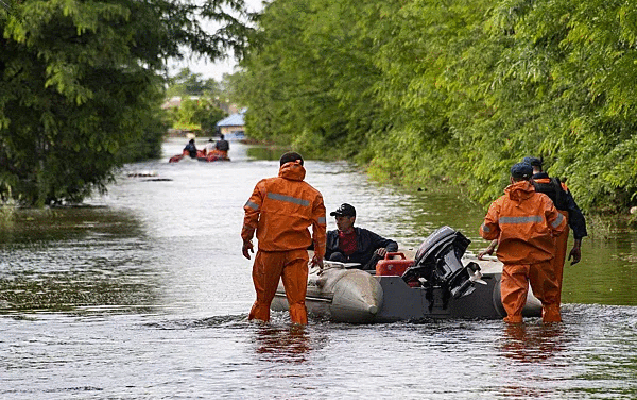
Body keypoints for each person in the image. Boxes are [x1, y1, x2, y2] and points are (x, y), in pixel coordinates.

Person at [241, 151, 326, 325]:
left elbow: (250, 213)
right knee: (297, 303)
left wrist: (246, 238)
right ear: (302, 166)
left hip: (269, 252)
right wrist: (319, 254)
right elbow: (320, 228)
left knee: (263, 302)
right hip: (297, 254)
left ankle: (263, 340)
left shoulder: (265, 186)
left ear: (281, 166)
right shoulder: (314, 194)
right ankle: (300, 342)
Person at [479, 162, 567, 323]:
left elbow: (486, 232)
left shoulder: (499, 204)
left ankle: (515, 342)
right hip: (540, 261)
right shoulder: (543, 201)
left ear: (512, 180)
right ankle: (552, 337)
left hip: (513, 262)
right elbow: (560, 227)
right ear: (532, 180)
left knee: (513, 310)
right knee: (550, 303)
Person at [523, 156, 587, 305]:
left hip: (534, 236)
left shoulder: (526, 188)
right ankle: (552, 313)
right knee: (555, 275)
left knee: (527, 273)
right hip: (559, 236)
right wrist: (577, 245)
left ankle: (523, 313)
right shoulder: (561, 187)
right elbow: (577, 216)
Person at [325, 203, 398, 270]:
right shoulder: (329, 236)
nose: (338, 222)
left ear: (352, 219)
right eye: (336, 219)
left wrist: (386, 250)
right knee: (335, 256)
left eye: (341, 219)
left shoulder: (365, 235)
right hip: (337, 275)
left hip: (364, 273)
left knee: (378, 254)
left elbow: (391, 243)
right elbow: (314, 244)